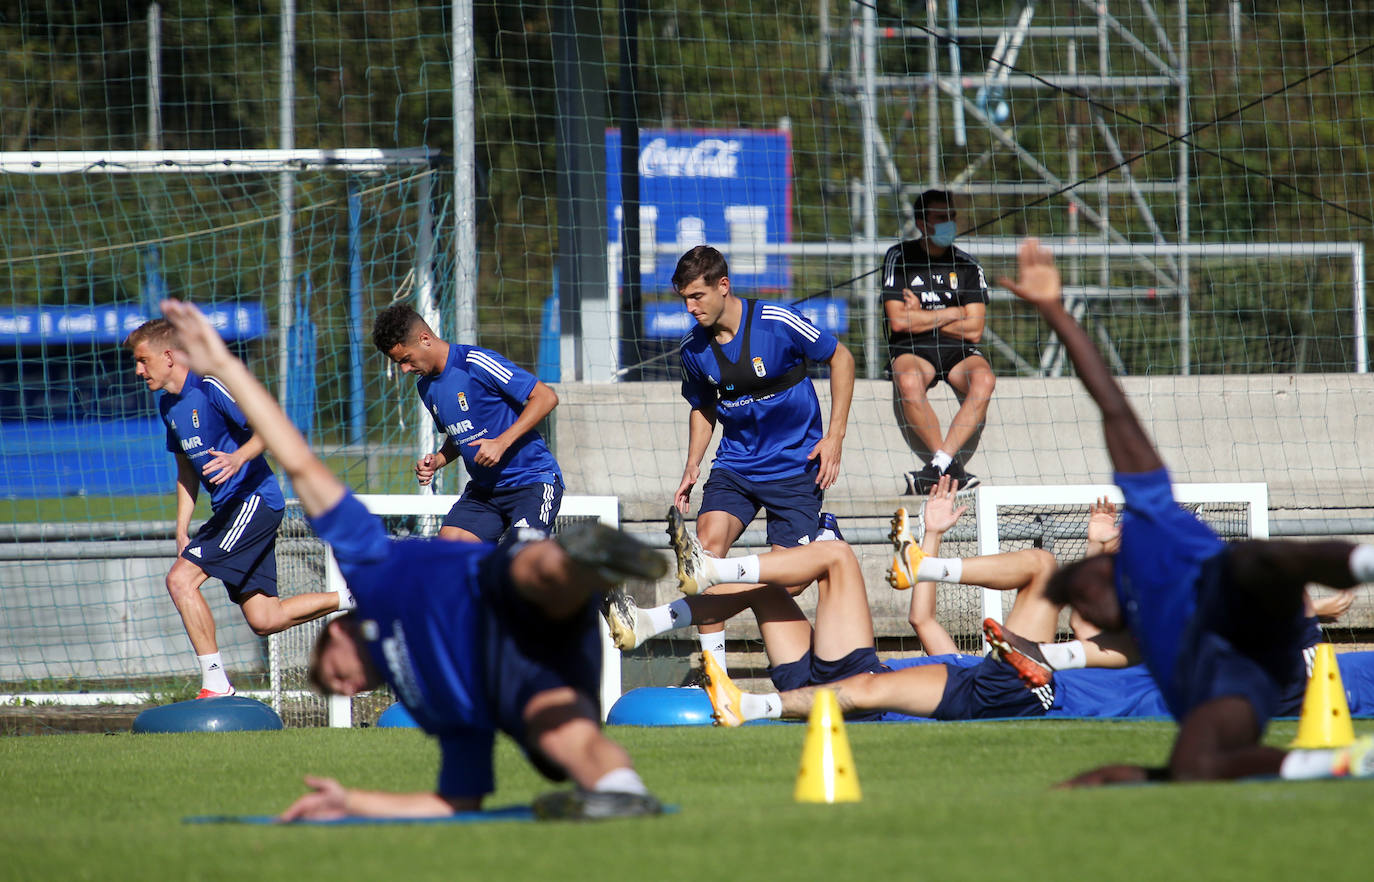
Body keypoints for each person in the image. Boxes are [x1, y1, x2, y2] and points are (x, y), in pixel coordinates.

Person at [158, 298, 667, 822]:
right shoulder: (430, 702)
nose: (341, 685)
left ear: (341, 632)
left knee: (509, 568)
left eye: (329, 672)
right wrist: (351, 803)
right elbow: (455, 803)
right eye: (340, 688)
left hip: (530, 566)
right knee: (553, 738)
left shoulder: (373, 577)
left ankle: (574, 566)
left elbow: (299, 461)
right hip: (532, 662)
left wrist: (225, 367)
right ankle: (622, 791)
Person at [1001, 238, 1374, 784]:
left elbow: (1113, 407)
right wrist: (1111, 777)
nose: (1087, 603)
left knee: (1249, 560)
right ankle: (1346, 763)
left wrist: (1055, 311)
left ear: (1100, 565)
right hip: (1250, 673)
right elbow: (1174, 758)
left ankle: (1365, 562)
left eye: (1080, 589)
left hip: (1251, 599)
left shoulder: (1149, 523)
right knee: (1194, 762)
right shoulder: (1154, 646)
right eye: (1084, 608)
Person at [125, 319, 350, 698]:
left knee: (180, 581)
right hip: (229, 510)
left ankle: (216, 684)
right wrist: (181, 528)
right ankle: (352, 597)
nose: (138, 370)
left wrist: (238, 457)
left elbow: (272, 425)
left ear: (169, 356)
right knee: (265, 618)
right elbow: (186, 470)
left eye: (143, 360)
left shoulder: (210, 386)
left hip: (255, 501)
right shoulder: (168, 405)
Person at [671, 245, 856, 675]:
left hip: (795, 467)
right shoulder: (692, 349)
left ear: (723, 285)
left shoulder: (776, 321)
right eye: (684, 299)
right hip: (735, 466)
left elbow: (841, 357)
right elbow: (703, 406)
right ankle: (713, 674)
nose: (690, 307)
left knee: (788, 582)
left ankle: (819, 542)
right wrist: (693, 464)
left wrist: (835, 437)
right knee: (704, 555)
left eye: (697, 296)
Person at [372, 304, 563, 543]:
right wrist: (439, 460)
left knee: (521, 557)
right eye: (399, 363)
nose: (404, 369)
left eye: (407, 360)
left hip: (531, 481)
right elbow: (461, 432)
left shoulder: (475, 363)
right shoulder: (425, 386)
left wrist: (501, 443)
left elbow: (546, 397)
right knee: (449, 552)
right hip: (485, 492)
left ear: (425, 339)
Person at [881, 190, 995, 494]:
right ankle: (952, 469)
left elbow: (974, 330)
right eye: (940, 217)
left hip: (958, 349)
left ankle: (938, 466)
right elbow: (899, 322)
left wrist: (922, 315)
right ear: (922, 223)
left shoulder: (968, 265)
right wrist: (955, 312)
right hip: (913, 347)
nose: (949, 223)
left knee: (984, 379)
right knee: (907, 381)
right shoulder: (899, 258)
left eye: (951, 216)